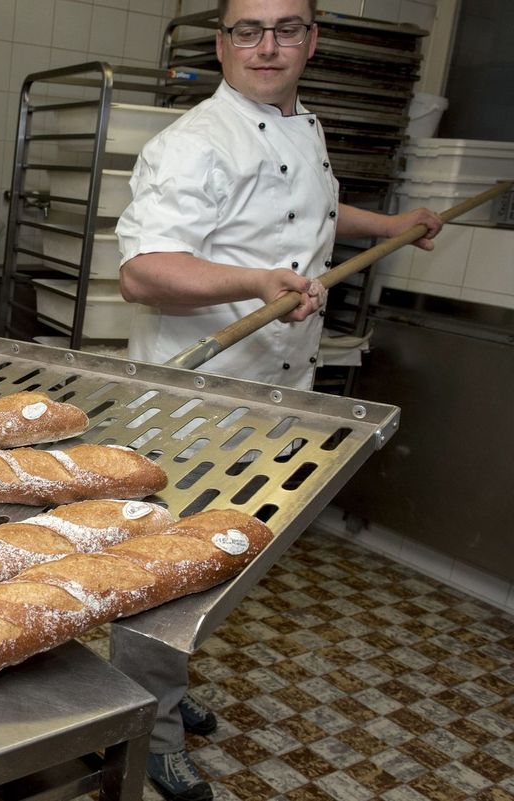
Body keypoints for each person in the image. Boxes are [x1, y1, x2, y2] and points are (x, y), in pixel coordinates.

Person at [112, 1, 443, 799]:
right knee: (169, 574)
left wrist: (388, 222)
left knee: (217, 566)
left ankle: (166, 688)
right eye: (247, 30)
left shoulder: (304, 125)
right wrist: (255, 282)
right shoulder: (193, 143)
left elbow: (306, 212)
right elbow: (144, 271)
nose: (267, 46)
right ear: (221, 42)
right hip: (194, 403)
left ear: (312, 40)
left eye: (286, 28)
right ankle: (144, 733)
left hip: (273, 396)